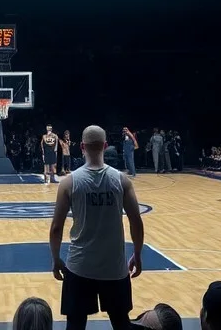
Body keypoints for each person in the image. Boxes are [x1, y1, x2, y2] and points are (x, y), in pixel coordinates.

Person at [50, 125, 145, 330]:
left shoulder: (68, 182)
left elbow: (56, 227)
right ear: (105, 146)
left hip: (79, 266)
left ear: (82, 147)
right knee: (121, 323)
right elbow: (136, 222)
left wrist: (56, 259)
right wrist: (137, 254)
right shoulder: (121, 180)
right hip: (115, 267)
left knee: (75, 325)